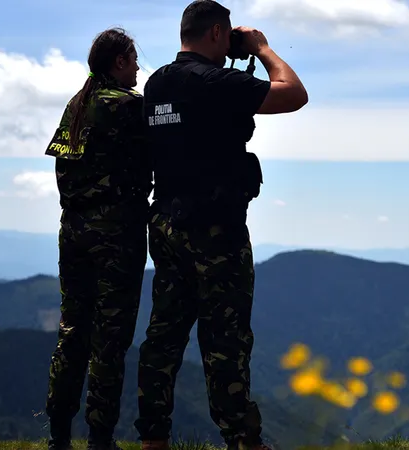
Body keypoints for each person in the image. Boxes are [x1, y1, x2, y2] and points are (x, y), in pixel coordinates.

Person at [133, 1, 308, 449]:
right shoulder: (215, 82)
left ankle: (152, 438)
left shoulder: (157, 84)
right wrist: (263, 48)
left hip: (167, 226)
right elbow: (292, 93)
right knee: (225, 341)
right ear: (216, 33)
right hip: (216, 230)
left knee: (164, 335)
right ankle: (243, 441)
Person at [43, 27, 153, 450]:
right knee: (110, 336)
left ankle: (58, 435)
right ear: (119, 62)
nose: (139, 67)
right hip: (116, 235)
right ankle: (100, 438)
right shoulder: (124, 106)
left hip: (72, 232)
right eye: (133, 59)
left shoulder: (76, 105)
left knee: (72, 331)